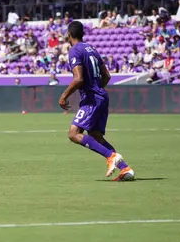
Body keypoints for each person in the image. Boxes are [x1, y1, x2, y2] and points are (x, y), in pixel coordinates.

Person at [58, 21, 135, 182]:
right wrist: (97, 89)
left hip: (91, 99)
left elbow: (78, 79)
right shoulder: (92, 49)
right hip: (101, 96)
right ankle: (125, 169)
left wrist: (64, 95)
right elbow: (107, 76)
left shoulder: (74, 51)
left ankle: (110, 157)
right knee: (96, 136)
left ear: (69, 34)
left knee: (73, 134)